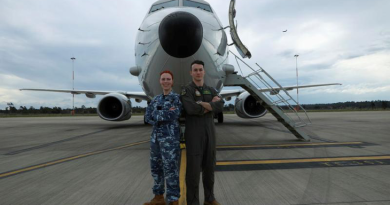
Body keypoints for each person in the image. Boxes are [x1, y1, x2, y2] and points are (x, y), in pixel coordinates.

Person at [181, 60, 224, 205]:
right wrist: (211, 106)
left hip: (210, 133)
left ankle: (209, 199)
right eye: (195, 70)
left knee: (209, 167)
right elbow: (190, 109)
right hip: (194, 134)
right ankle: (193, 202)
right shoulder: (187, 90)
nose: (198, 72)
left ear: (204, 72)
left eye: (200, 69)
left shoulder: (211, 90)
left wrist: (202, 105)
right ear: (191, 73)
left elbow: (220, 105)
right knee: (193, 171)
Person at [144, 70, 182, 205]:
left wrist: (157, 115)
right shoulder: (155, 99)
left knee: (171, 169)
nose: (165, 81)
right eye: (163, 79)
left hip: (170, 141)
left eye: (168, 79)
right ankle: (158, 197)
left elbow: (175, 114)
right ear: (160, 81)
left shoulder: (176, 98)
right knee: (156, 168)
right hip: (155, 141)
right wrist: (164, 114)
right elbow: (147, 117)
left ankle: (173, 199)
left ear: (172, 81)